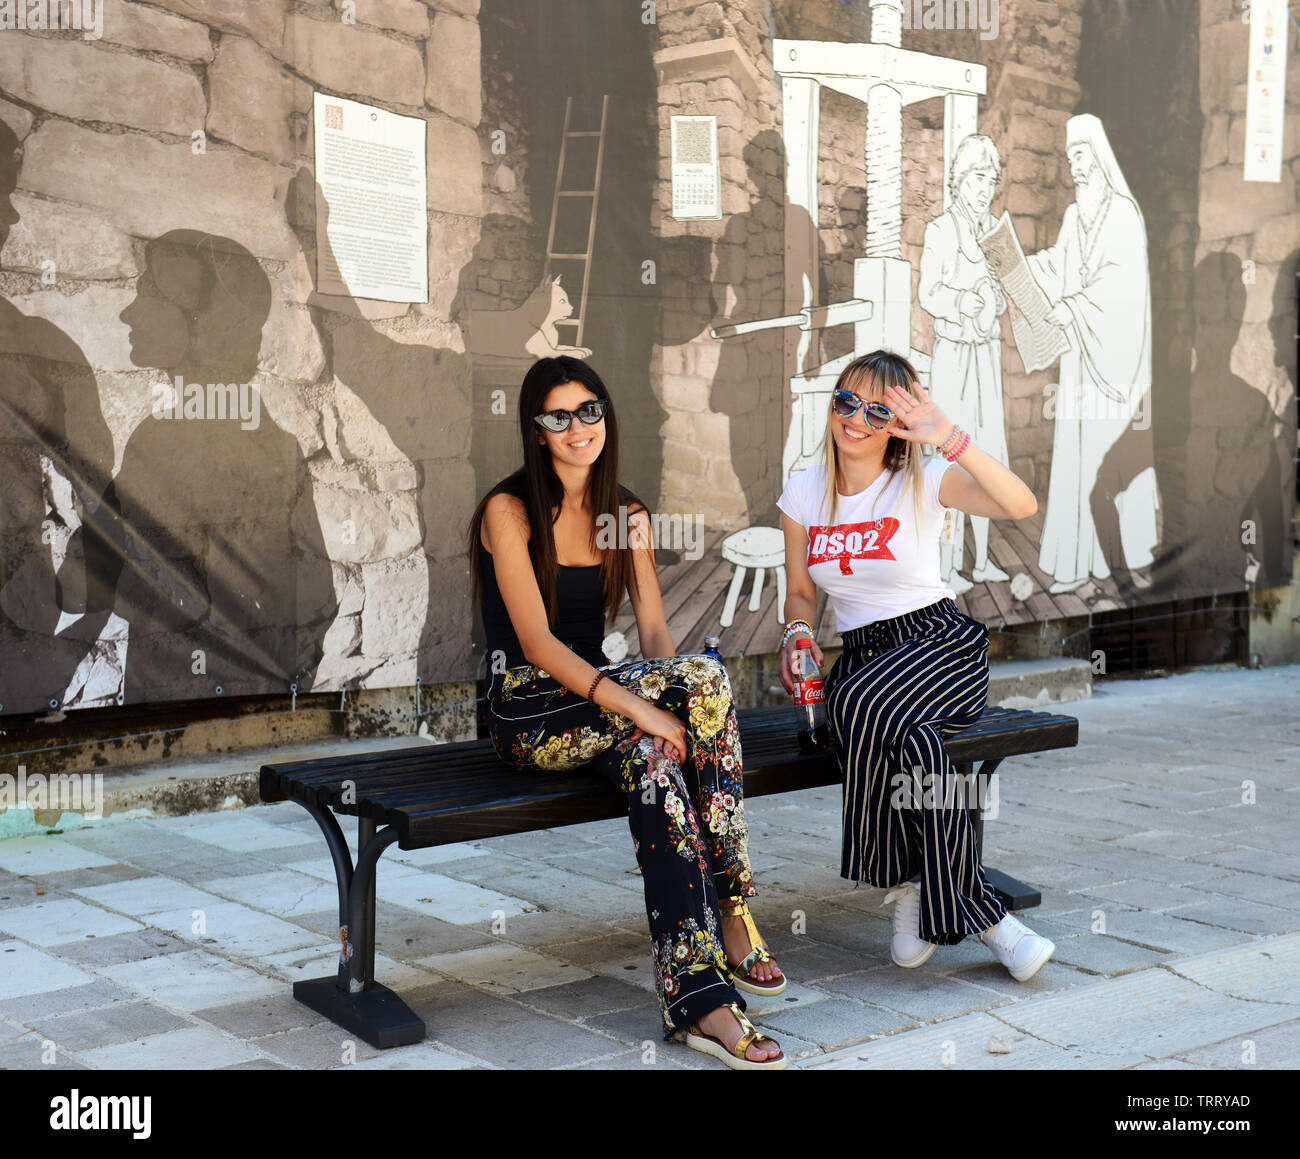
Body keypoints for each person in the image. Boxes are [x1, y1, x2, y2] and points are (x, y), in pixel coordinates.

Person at [468, 355, 787, 1070]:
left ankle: (699, 1000)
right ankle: (734, 905)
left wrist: (660, 712)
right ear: (536, 429)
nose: (578, 427)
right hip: (528, 708)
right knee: (698, 684)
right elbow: (537, 643)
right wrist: (644, 705)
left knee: (660, 770)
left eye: (590, 410)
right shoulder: (508, 510)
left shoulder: (627, 516)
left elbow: (653, 634)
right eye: (559, 415)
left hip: (607, 702)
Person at [777, 349, 1055, 981]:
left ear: (899, 423)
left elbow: (1021, 505)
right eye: (847, 401)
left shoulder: (925, 479)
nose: (856, 419)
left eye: (879, 410)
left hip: (937, 643)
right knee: (919, 741)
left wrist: (949, 437)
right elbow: (800, 590)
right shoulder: (803, 491)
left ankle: (912, 889)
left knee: (858, 704)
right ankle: (976, 913)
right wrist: (798, 632)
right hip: (866, 654)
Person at [1027, 113, 1159, 594]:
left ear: (1099, 156)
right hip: (1082, 358)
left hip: (1112, 364)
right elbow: (1058, 264)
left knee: (1108, 459)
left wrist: (1074, 308)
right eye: (1069, 159)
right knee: (1078, 461)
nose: (1074, 167)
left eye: (1080, 157)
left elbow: (1119, 287)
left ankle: (1122, 559)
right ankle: (1077, 563)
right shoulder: (1073, 215)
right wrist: (1019, 266)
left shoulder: (1123, 213)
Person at [918, 133, 1012, 593]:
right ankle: (947, 565)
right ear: (958, 179)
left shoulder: (996, 233)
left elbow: (1004, 294)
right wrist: (963, 302)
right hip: (954, 356)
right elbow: (928, 293)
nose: (985, 187)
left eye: (991, 179)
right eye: (978, 177)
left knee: (987, 452)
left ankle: (983, 560)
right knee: (951, 456)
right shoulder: (941, 229)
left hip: (986, 358)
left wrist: (994, 299)